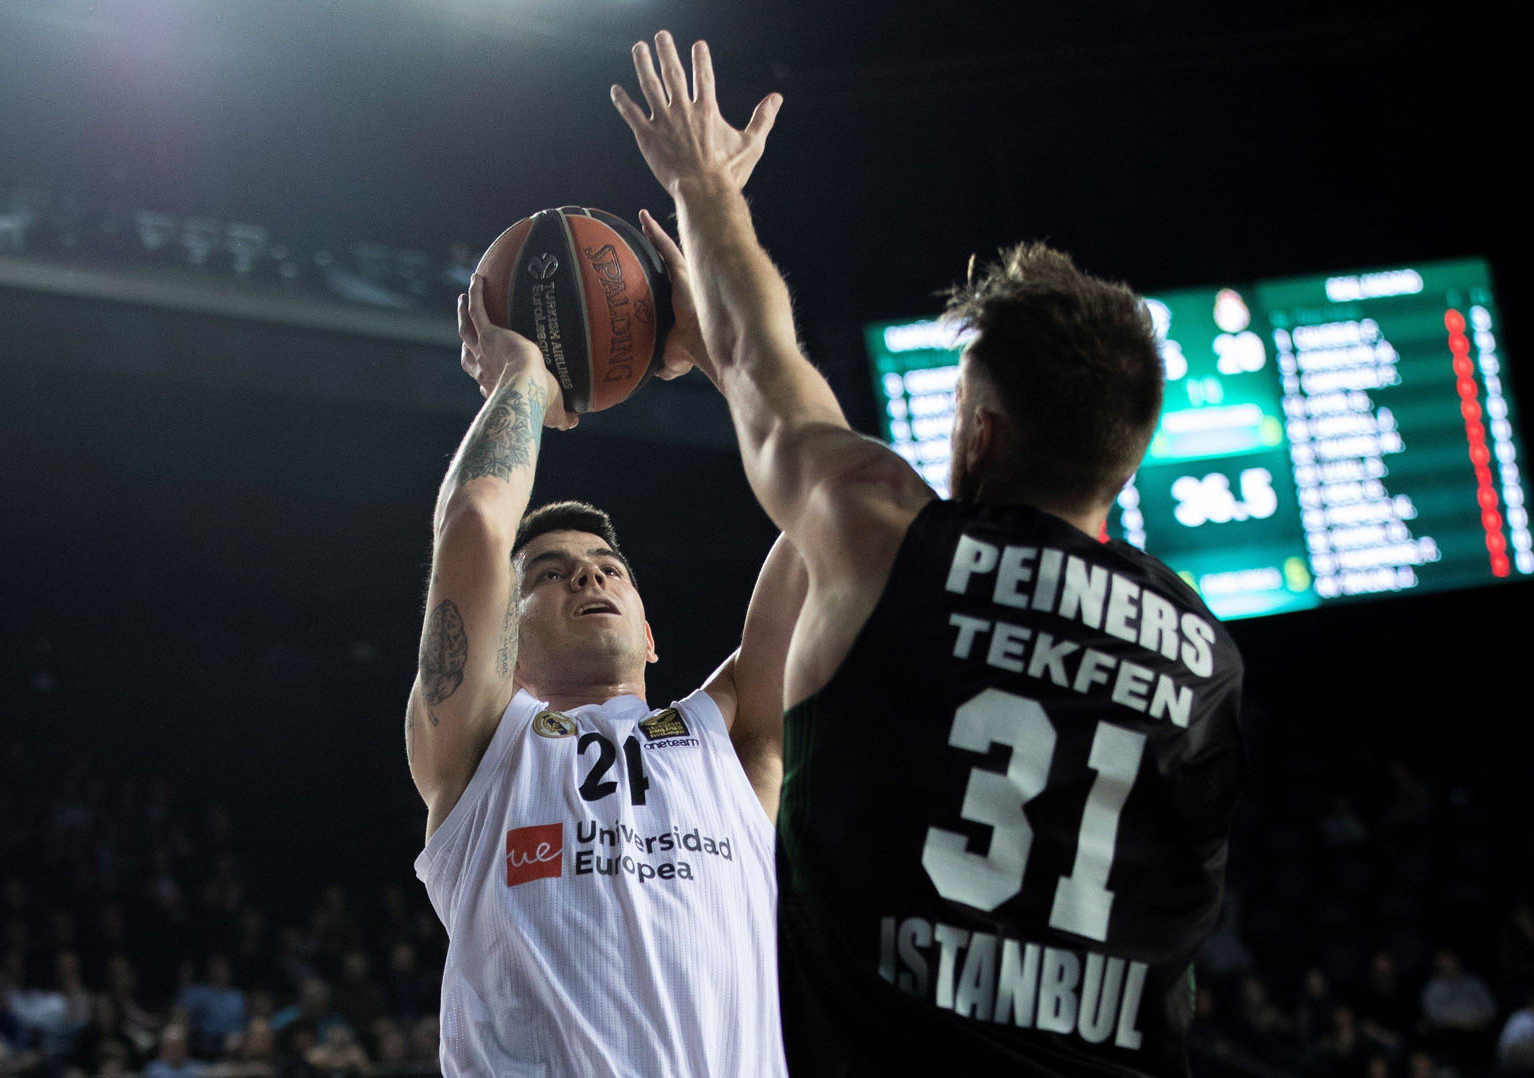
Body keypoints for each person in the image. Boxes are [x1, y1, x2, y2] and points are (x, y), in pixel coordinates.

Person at [613, 31, 1245, 1075]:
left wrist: (705, 183)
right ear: (1123, 457)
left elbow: (770, 370)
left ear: (981, 434)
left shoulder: (885, 538)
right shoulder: (1205, 656)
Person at [401, 231, 802, 1073]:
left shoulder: (732, 734)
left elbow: (836, 518)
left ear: (649, 632)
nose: (589, 578)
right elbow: (475, 525)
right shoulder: (481, 750)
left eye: (608, 567)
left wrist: (723, 351)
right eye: (550, 574)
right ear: (502, 642)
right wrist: (522, 380)